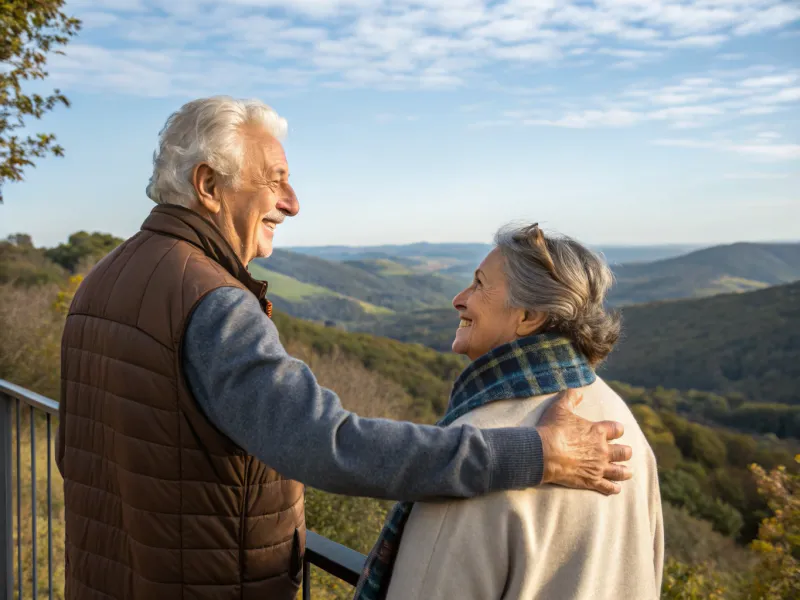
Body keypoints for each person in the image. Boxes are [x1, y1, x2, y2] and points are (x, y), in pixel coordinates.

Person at [56, 97, 634, 600]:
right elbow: (330, 445)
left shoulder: (103, 280)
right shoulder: (211, 302)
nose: (293, 202)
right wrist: (534, 455)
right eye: (275, 179)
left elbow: (80, 453)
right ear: (209, 186)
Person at [355, 224, 664, 600]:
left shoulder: (472, 452)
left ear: (529, 316)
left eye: (480, 284)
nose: (459, 298)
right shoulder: (622, 422)